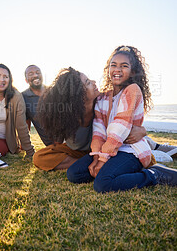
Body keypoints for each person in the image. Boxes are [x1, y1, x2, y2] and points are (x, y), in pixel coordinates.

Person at [67, 45, 177, 192]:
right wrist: (96, 157)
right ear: (108, 70)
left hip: (131, 151)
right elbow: (98, 132)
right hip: (109, 150)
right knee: (74, 174)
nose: (117, 69)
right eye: (114, 65)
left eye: (124, 66)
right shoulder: (102, 98)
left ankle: (154, 174)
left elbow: (119, 127)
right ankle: (118, 170)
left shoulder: (132, 90)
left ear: (133, 72)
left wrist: (102, 160)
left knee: (103, 184)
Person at [33, 67, 148, 171]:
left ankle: (92, 164)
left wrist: (142, 131)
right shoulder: (66, 115)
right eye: (88, 82)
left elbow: (122, 122)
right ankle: (83, 164)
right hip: (79, 153)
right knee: (39, 157)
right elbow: (56, 145)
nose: (93, 82)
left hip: (102, 150)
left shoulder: (103, 104)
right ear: (78, 95)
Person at [22, 65, 53, 146]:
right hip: (52, 145)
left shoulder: (54, 91)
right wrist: (25, 144)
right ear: (26, 80)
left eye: (38, 72)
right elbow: (26, 122)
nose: (35, 75)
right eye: (31, 74)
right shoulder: (23, 97)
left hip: (68, 138)